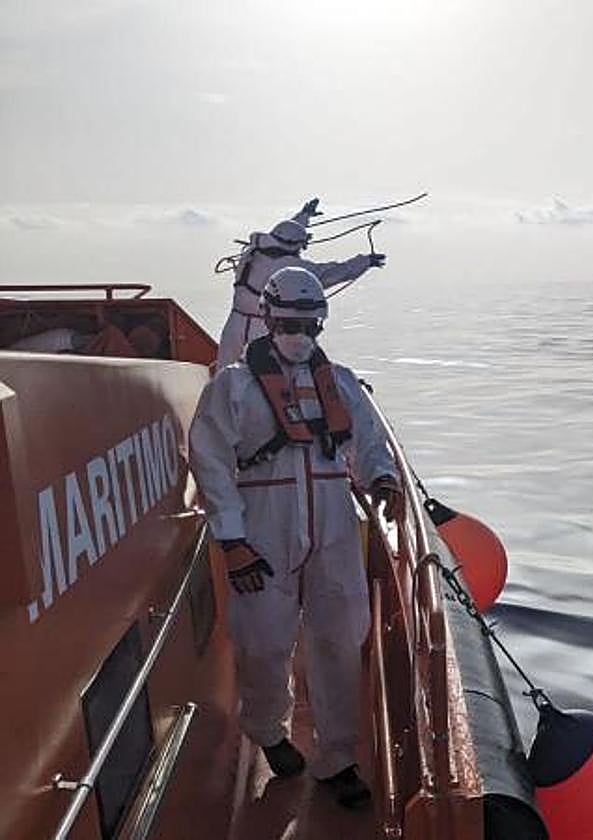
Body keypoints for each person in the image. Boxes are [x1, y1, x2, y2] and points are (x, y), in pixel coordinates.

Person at [189, 267, 400, 809]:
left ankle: (338, 758)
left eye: (310, 323)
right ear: (266, 317)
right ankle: (268, 731)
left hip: (332, 520)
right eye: (289, 322)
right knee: (263, 640)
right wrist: (231, 539)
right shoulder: (231, 387)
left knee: (341, 636)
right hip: (262, 524)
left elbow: (369, 439)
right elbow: (210, 463)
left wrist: (383, 477)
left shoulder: (344, 382)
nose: (299, 333)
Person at [214, 198, 387, 368]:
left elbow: (286, 232)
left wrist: (304, 216)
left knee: (224, 375)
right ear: (295, 246)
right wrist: (365, 261)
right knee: (262, 378)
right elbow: (331, 273)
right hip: (262, 330)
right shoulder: (290, 266)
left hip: (234, 327)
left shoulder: (251, 252)